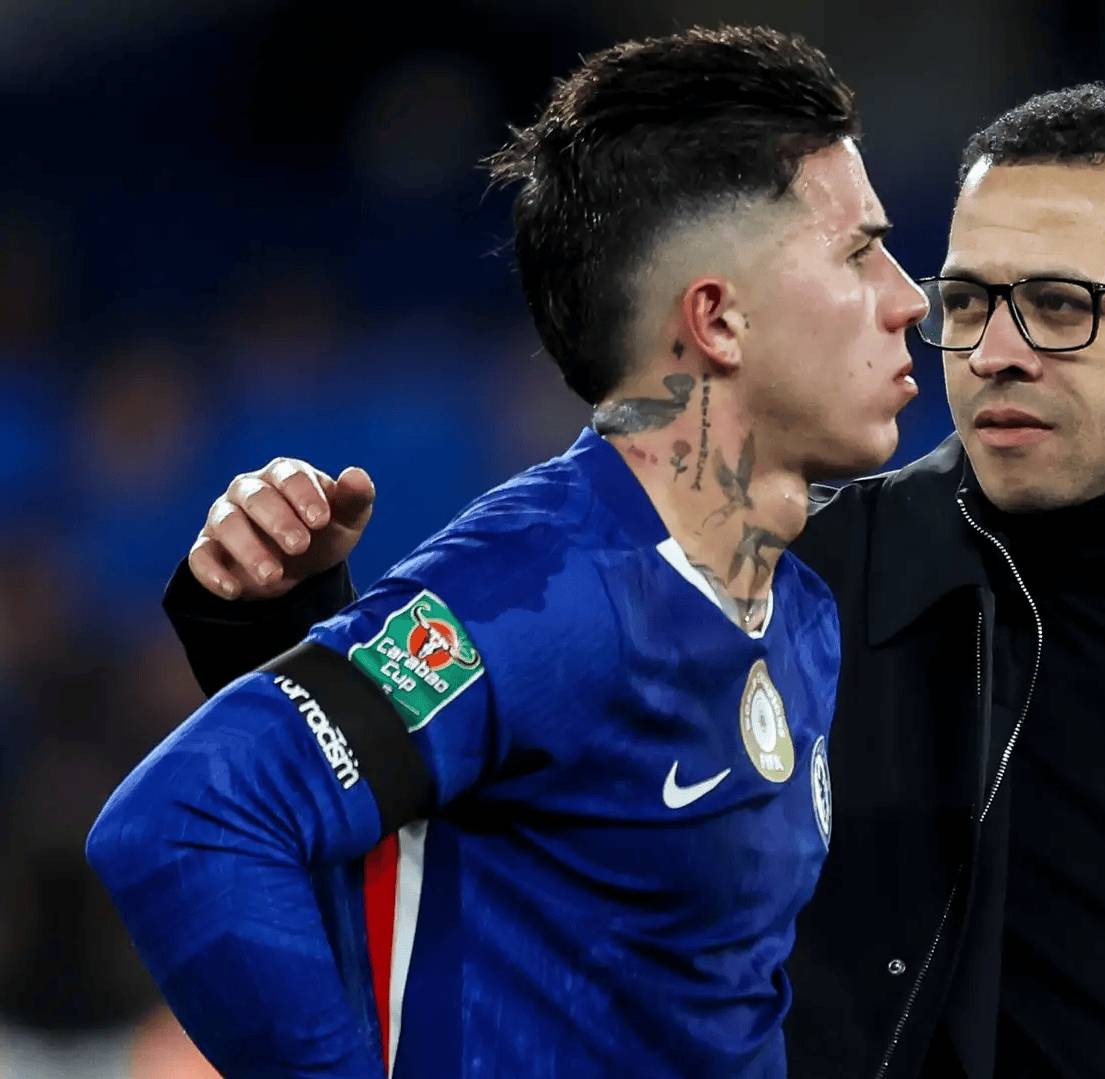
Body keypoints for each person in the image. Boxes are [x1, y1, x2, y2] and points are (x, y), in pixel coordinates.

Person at [152, 86, 1105, 1079]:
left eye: (1059, 305)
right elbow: (462, 833)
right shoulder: (773, 579)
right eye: (964, 300)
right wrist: (278, 621)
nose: (992, 350)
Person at [86, 25, 927, 1078]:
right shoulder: (548, 586)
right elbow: (188, 818)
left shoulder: (798, 611)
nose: (909, 297)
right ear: (716, 319)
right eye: (857, 253)